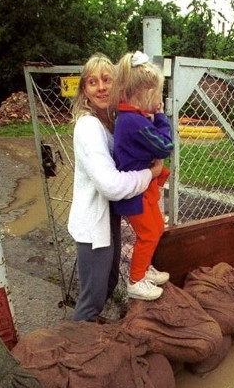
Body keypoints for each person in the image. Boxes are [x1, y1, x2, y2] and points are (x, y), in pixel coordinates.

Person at [67, 53, 163, 322]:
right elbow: (110, 184)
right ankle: (78, 351)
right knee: (91, 300)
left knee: (106, 287)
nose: (101, 87)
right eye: (92, 82)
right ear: (84, 90)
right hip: (94, 225)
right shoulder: (88, 127)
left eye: (107, 80)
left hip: (107, 219)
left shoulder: (110, 123)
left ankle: (92, 333)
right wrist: (150, 173)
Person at [110, 51, 174, 301]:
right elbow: (165, 146)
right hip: (136, 194)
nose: (159, 100)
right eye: (158, 95)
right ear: (146, 94)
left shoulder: (132, 117)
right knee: (148, 234)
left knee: (157, 227)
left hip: (144, 188)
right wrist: (160, 117)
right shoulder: (133, 122)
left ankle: (144, 269)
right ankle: (136, 280)